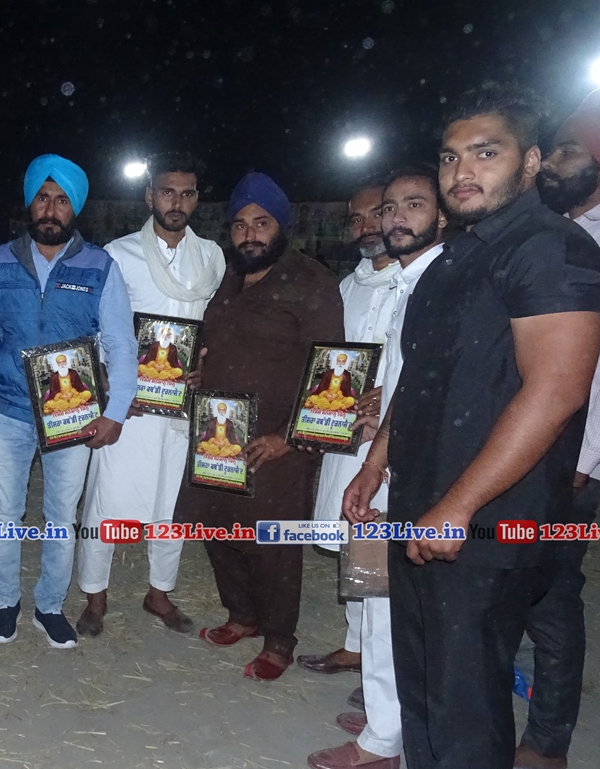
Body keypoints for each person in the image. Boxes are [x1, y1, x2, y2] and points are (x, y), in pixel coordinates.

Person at [340, 84, 600, 769]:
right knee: (425, 670)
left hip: (488, 521)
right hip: (420, 504)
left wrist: (460, 506)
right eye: (451, 157)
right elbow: (421, 376)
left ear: (530, 162)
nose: (463, 172)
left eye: (485, 153)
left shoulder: (553, 251)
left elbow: (555, 390)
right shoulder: (455, 258)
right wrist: (378, 462)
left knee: (469, 690)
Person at [518, 85, 600, 769]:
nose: (549, 162)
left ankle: (547, 738)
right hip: (520, 445)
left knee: (552, 594)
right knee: (501, 580)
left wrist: (584, 463)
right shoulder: (551, 233)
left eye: (567, 151)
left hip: (569, 462)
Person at [305, 164, 446, 769]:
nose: (390, 220)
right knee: (378, 586)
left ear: (442, 214)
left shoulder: (441, 282)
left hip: (417, 464)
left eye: (412, 205)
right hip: (380, 453)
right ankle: (385, 714)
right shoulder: (403, 282)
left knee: (392, 601)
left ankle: (384, 739)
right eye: (386, 209)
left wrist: (384, 427)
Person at [175, 171, 343, 680]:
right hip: (219, 430)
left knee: (272, 545)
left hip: (276, 439)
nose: (249, 234)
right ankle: (242, 615)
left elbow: (332, 372)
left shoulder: (311, 282)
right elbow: (218, 343)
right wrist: (199, 371)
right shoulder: (229, 278)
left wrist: (288, 437)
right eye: (240, 224)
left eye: (261, 223)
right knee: (218, 528)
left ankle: (279, 639)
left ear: (281, 226)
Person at [0, 154, 138, 648]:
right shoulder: (0, 261)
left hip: (72, 416)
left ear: (76, 208)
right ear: (30, 204)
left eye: (62, 201)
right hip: (8, 410)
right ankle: (6, 601)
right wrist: (3, 359)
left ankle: (49, 605)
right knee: (5, 514)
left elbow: (121, 342)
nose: (51, 209)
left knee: (60, 517)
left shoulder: (101, 266)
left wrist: (115, 411)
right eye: (43, 198)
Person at [75, 152, 226, 637]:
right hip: (130, 405)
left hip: (181, 406)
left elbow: (214, 327)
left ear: (197, 199)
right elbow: (97, 329)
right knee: (106, 500)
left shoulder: (212, 258)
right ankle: (95, 596)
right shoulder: (118, 255)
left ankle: (159, 593)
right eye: (167, 192)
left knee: (170, 504)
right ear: (149, 196)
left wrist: (205, 365)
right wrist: (111, 387)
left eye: (186, 193)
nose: (176, 202)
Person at [297, 180, 399, 678]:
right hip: (346, 435)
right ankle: (357, 646)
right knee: (356, 539)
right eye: (356, 219)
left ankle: (388, 667)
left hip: (396, 437)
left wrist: (393, 391)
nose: (366, 227)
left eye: (376, 214)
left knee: (384, 546)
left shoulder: (420, 281)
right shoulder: (346, 287)